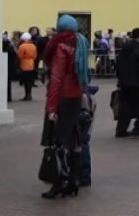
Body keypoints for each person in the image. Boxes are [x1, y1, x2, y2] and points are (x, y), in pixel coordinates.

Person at [41, 14, 90, 199]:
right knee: (74, 139)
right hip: (75, 97)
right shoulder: (81, 44)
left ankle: (59, 181)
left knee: (57, 140)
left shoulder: (60, 45)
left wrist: (52, 107)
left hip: (62, 97)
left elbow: (57, 79)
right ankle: (74, 180)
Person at [115, 28, 139, 137]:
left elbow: (118, 66)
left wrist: (120, 80)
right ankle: (138, 128)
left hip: (124, 83)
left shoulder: (124, 49)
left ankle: (121, 130)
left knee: (125, 106)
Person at [18, 32, 38, 100]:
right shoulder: (33, 46)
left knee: (25, 81)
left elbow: (20, 56)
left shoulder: (22, 46)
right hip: (31, 64)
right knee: (29, 81)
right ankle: (29, 94)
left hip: (24, 64)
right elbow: (35, 56)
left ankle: (27, 95)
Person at [3, 31, 19, 102]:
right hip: (10, 67)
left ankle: (6, 97)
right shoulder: (11, 47)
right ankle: (8, 97)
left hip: (6, 67)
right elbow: (15, 56)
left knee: (5, 83)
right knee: (8, 83)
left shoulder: (3, 47)